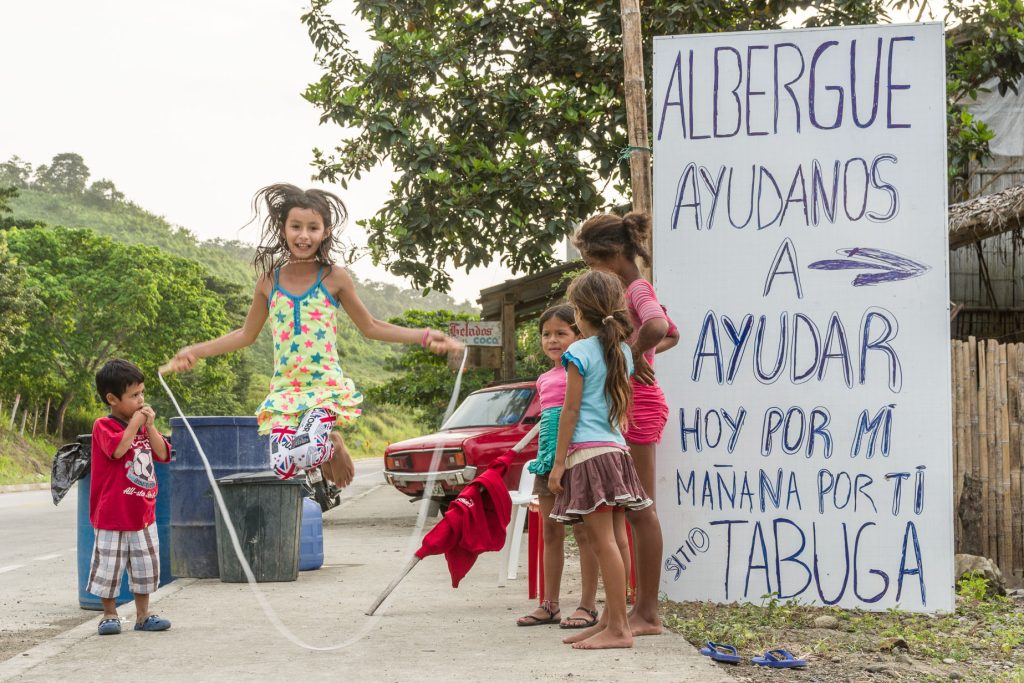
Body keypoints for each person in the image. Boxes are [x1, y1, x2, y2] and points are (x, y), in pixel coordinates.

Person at [163, 184, 461, 485]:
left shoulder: (334, 277)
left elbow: (371, 326)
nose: (303, 236)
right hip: (284, 392)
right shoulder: (269, 281)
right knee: (282, 466)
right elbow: (245, 334)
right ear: (283, 229)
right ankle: (326, 444)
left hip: (322, 388)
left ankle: (332, 444)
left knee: (308, 450)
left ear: (325, 232)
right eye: (296, 227)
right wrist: (196, 350)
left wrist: (423, 336)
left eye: (312, 228)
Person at [566, 211, 677, 643]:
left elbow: (658, 326)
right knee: (629, 511)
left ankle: (646, 612)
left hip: (639, 409)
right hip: (623, 407)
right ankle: (625, 611)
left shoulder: (637, 288)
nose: (590, 272)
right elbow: (672, 335)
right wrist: (636, 356)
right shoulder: (627, 292)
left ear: (611, 256)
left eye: (591, 263)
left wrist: (626, 356)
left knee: (640, 510)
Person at [548, 270, 655, 650]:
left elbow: (570, 411)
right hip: (616, 451)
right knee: (617, 540)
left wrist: (559, 463)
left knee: (601, 542)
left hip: (589, 453)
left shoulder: (577, 352)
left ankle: (618, 630)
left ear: (579, 313)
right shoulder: (623, 351)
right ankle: (613, 618)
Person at [515, 305, 603, 630]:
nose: (552, 340)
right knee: (550, 532)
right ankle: (549, 604)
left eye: (561, 333)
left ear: (578, 335)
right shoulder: (544, 379)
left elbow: (576, 414)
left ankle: (588, 606)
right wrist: (551, 462)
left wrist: (564, 461)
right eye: (546, 334)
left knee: (583, 532)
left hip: (577, 460)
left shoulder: (581, 370)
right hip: (547, 462)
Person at [89, 359, 172, 636]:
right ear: (112, 399)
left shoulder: (144, 428)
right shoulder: (104, 426)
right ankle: (109, 614)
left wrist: (148, 427)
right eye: (134, 396)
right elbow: (117, 451)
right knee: (108, 568)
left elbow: (162, 454)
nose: (141, 400)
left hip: (143, 514)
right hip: (112, 514)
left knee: (145, 567)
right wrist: (135, 424)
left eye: (142, 394)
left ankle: (143, 614)